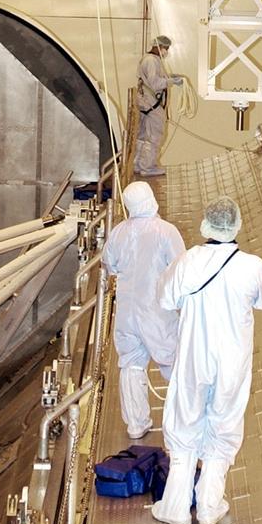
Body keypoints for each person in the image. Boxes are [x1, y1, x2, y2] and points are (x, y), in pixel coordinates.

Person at [151, 195, 262, 524]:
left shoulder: (189, 261)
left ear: (206, 224)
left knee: (184, 421)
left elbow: (164, 298)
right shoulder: (253, 266)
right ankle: (209, 505)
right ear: (237, 224)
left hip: (194, 356)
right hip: (232, 362)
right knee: (224, 423)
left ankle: (175, 507)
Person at [102, 181, 186, 439]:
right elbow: (181, 269)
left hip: (127, 312)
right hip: (157, 312)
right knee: (174, 362)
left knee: (130, 365)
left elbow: (109, 265)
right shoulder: (165, 231)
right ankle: (183, 420)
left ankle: (137, 424)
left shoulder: (118, 232)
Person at [134, 35, 182, 177]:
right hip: (152, 105)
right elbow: (155, 83)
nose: (166, 51)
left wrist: (170, 77)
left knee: (142, 135)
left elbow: (152, 79)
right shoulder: (152, 61)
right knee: (154, 136)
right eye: (165, 48)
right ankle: (148, 167)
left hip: (145, 104)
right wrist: (171, 82)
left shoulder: (148, 59)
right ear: (158, 47)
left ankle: (138, 164)